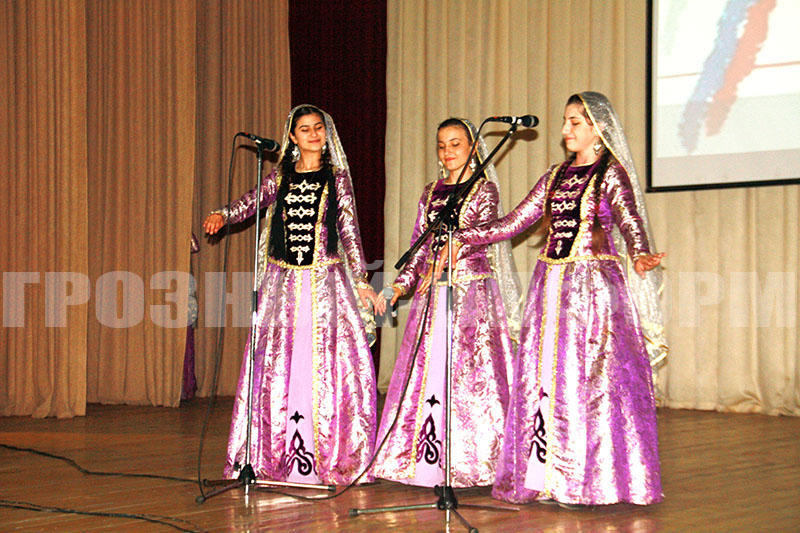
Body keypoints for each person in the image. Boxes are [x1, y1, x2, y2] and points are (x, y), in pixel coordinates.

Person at [438, 92, 667, 505]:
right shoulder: (554, 176)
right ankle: (547, 475)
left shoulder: (610, 173)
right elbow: (514, 222)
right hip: (550, 287)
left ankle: (589, 477)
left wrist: (640, 253)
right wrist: (462, 237)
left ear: (598, 128)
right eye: (565, 121)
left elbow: (631, 220)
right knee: (546, 378)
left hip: (592, 289)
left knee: (589, 381)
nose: (565, 130)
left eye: (574, 122)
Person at [203, 105, 385, 486]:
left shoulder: (336, 178)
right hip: (283, 285)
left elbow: (349, 229)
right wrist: (224, 214)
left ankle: (327, 453)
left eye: (318, 128)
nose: (314, 134)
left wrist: (361, 279)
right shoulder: (281, 177)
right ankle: (275, 452)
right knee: (279, 363)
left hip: (325, 283)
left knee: (323, 363)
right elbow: (251, 201)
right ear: (292, 137)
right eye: (305, 129)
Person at [372, 118, 522, 488]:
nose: (448, 151)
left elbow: (483, 232)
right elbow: (420, 247)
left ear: (472, 147)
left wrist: (453, 253)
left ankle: (472, 460)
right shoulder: (431, 194)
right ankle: (425, 458)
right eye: (442, 145)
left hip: (470, 294)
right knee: (429, 374)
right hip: (433, 294)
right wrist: (398, 287)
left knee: (469, 377)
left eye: (456, 143)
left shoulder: (483, 190)